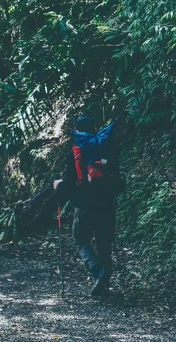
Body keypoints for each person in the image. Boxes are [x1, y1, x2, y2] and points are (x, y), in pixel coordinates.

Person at [54, 115, 124, 297]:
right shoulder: (108, 150)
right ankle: (104, 282)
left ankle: (96, 271)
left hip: (84, 206)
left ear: (77, 131)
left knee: (80, 240)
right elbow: (118, 181)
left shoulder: (75, 154)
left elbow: (69, 185)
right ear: (94, 129)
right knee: (104, 244)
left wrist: (58, 185)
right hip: (107, 206)